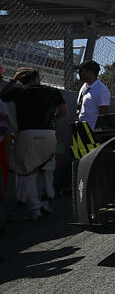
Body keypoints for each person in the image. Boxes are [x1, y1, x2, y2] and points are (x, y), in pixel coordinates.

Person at [0, 67, 68, 220]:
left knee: (27, 173)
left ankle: (34, 210)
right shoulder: (52, 92)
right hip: (49, 134)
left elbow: (1, 96)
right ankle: (45, 203)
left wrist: (13, 80)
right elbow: (64, 111)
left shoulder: (19, 92)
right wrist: (52, 119)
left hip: (28, 135)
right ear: (38, 77)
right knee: (46, 170)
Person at [76, 60, 111, 128]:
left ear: (91, 72)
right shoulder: (84, 87)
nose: (78, 72)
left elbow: (104, 114)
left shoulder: (101, 89)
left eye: (81, 70)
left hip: (92, 130)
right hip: (80, 128)